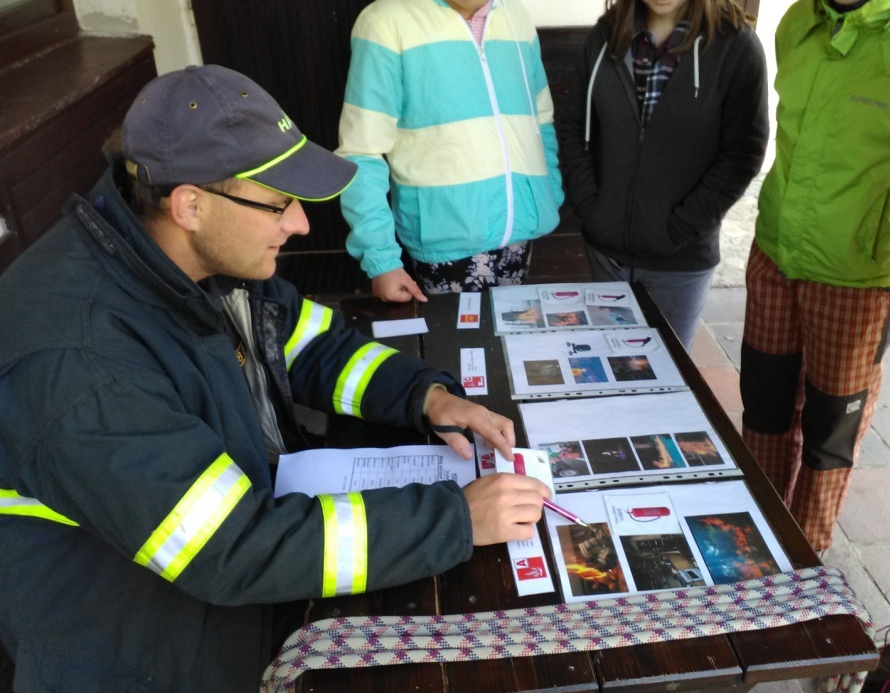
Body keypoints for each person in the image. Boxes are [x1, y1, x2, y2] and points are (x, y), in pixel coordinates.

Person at [0, 65, 551, 692]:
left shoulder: (188, 254)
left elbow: (310, 344)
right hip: (143, 648)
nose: (301, 224)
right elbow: (229, 548)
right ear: (190, 206)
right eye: (278, 203)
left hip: (224, 581)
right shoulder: (80, 364)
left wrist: (425, 396)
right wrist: (454, 520)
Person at [739, 0, 890, 553]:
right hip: (776, 252)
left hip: (858, 277)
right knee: (763, 409)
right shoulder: (799, 22)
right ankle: (754, 538)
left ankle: (803, 562)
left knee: (828, 434)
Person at [559, 0, 769, 351]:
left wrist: (680, 228)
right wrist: (593, 211)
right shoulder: (606, 37)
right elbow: (575, 129)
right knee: (606, 364)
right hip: (606, 255)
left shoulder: (736, 46)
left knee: (667, 374)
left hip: (681, 263)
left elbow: (743, 153)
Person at [336, 0, 564, 303]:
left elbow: (540, 118)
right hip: (443, 241)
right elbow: (361, 151)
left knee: (510, 332)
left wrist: (548, 194)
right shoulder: (385, 21)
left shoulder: (514, 13)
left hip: (521, 231)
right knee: (456, 338)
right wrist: (381, 259)